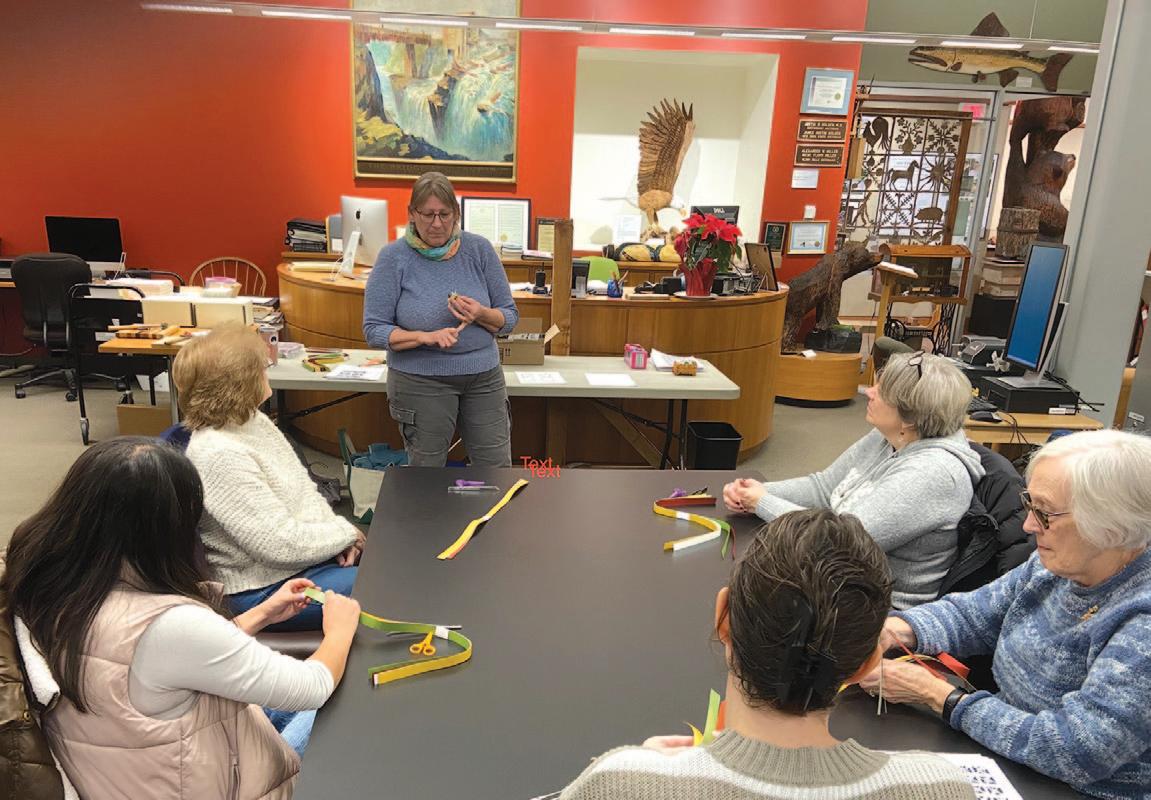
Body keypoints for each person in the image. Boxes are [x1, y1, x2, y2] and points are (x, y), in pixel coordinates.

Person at [1, 437, 363, 798]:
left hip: (132, 774)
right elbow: (310, 686)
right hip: (215, 784)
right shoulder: (170, 625)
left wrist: (260, 615)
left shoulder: (52, 589)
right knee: (353, 695)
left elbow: (157, 665)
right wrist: (339, 629)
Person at [560, 509, 975, 800]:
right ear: (868, 662)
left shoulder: (616, 785)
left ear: (724, 619)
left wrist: (642, 771)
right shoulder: (943, 789)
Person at [858, 430, 1151, 799]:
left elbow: (1077, 751)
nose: (1029, 525)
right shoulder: (1056, 565)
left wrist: (938, 695)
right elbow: (974, 614)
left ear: (1112, 526)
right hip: (1010, 754)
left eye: (1044, 513)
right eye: (1030, 504)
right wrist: (897, 629)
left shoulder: (1142, 622)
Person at [724, 352, 984, 608]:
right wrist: (758, 491)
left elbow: (840, 542)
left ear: (910, 417)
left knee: (735, 591)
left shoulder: (931, 474)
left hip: (873, 610)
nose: (869, 392)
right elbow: (824, 487)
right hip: (836, 578)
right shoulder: (891, 436)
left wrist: (763, 502)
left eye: (881, 392)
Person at [173, 325, 363, 630]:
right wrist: (344, 534)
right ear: (241, 381)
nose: (267, 371)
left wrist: (336, 537)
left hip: (298, 566)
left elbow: (305, 494)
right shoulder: (218, 453)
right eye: (261, 367)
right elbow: (278, 546)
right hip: (261, 588)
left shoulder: (250, 420)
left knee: (399, 564)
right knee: (389, 586)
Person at [363, 171, 519, 467]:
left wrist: (481, 313)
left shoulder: (479, 250)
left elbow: (509, 317)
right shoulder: (393, 258)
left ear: (456, 213)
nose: (437, 224)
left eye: (445, 214)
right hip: (420, 381)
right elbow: (374, 330)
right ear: (412, 214)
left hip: (483, 378)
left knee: (496, 468)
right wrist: (425, 337)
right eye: (428, 214)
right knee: (427, 472)